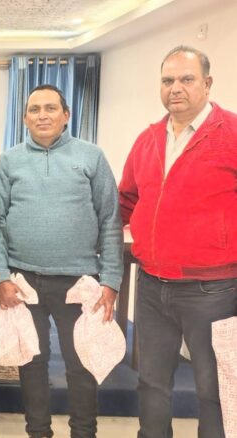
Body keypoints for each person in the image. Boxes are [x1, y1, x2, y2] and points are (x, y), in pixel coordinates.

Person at [0, 84, 123, 438]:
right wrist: (0, 275)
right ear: (24, 119)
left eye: (51, 108)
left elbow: (110, 219)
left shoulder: (91, 156)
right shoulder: (10, 160)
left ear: (66, 115)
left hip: (79, 282)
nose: (42, 115)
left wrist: (111, 281)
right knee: (32, 362)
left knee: (81, 363)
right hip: (23, 282)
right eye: (34, 110)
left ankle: (84, 433)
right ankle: (38, 432)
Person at [119, 45, 237, 438]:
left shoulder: (231, 133)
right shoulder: (149, 139)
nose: (176, 88)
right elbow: (127, 199)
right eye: (168, 80)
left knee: (213, 387)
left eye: (186, 79)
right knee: (152, 383)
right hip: (152, 284)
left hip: (213, 290)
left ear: (207, 83)